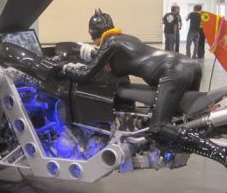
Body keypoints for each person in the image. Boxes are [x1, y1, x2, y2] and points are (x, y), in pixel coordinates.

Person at [62, 9, 201, 132]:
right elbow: (120, 59)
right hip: (190, 64)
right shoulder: (128, 38)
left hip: (172, 70)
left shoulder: (110, 42)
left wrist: (64, 68)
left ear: (93, 31)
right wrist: (95, 54)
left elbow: (86, 75)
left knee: (158, 128)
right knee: (186, 119)